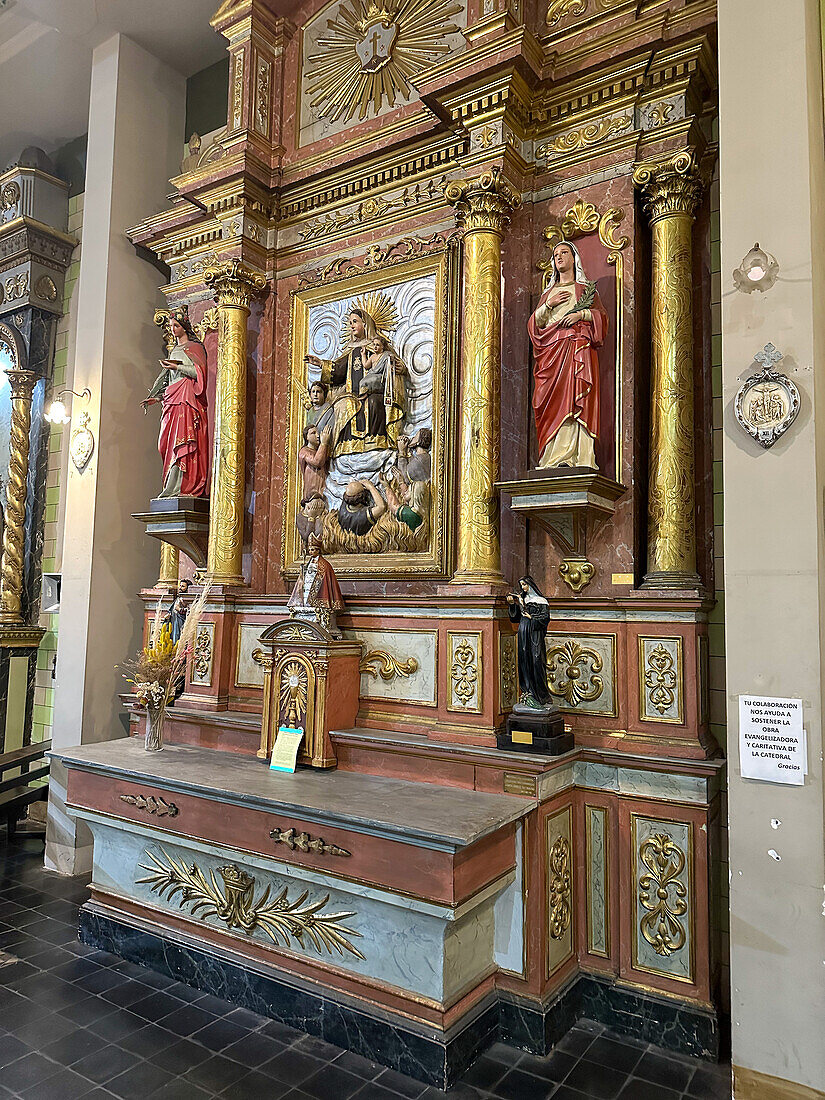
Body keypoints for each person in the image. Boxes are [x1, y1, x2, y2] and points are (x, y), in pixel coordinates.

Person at [304, 308, 406, 505]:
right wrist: (321, 364)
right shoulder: (351, 351)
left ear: (365, 325)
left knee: (375, 403)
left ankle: (377, 440)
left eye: (355, 322)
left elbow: (392, 364)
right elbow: (338, 371)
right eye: (350, 323)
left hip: (375, 391)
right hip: (353, 393)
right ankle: (348, 448)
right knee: (344, 405)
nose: (351, 326)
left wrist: (400, 368)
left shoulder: (377, 347)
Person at [528, 241, 607, 470]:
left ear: (574, 258)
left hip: (576, 352)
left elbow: (602, 319)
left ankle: (579, 456)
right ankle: (553, 456)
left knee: (576, 398)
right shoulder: (548, 294)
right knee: (551, 400)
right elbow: (534, 326)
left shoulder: (585, 290)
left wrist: (580, 314)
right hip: (551, 356)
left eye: (564, 253)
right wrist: (547, 305)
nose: (559, 257)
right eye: (555, 255)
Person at [142, 309, 209, 497]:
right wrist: (157, 397)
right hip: (171, 399)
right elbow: (169, 379)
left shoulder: (194, 348)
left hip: (187, 400)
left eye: (176, 326)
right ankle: (170, 487)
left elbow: (199, 373)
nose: (173, 329)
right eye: (171, 326)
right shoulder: (173, 350)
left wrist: (177, 366)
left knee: (184, 441)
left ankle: (183, 486)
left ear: (184, 327)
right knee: (167, 443)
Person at [506, 576, 552, 711]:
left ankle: (541, 695)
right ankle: (528, 692)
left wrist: (532, 618)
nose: (523, 588)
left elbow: (545, 618)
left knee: (537, 660)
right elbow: (515, 619)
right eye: (521, 585)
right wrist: (513, 605)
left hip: (535, 633)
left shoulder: (541, 601)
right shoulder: (523, 599)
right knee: (524, 660)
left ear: (531, 585)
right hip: (523, 632)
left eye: (524, 585)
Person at [287, 533, 344, 635]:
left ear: (318, 550)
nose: (310, 552)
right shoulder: (308, 562)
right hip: (307, 590)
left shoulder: (325, 565)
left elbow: (324, 579)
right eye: (309, 550)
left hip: (318, 591)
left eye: (313, 550)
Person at [298, 425, 331, 499]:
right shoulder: (304, 451)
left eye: (318, 433)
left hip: (322, 488)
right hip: (312, 490)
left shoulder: (319, 451)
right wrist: (324, 443)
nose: (318, 436)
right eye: (313, 433)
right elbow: (317, 462)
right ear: (307, 437)